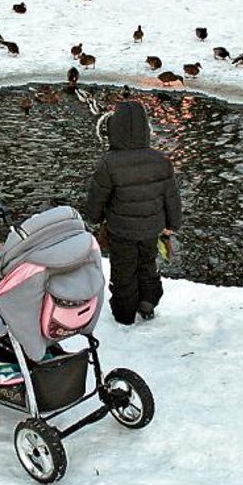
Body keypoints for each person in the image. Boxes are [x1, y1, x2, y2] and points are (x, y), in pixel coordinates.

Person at [87, 101, 182, 325]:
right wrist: (173, 223)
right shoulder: (161, 161)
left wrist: (96, 217)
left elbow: (97, 198)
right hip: (152, 228)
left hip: (121, 230)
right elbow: (171, 197)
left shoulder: (109, 163)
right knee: (147, 262)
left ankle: (124, 313)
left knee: (124, 269)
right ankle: (148, 302)